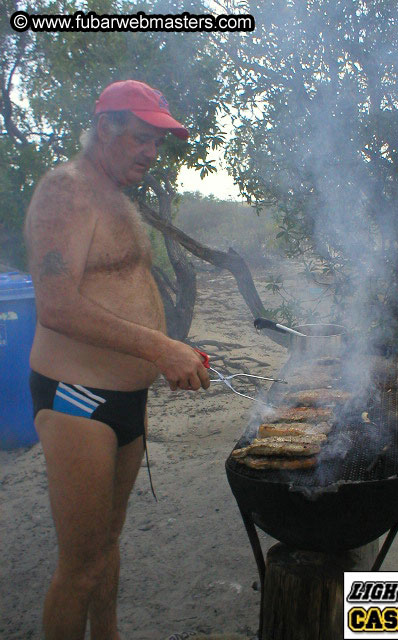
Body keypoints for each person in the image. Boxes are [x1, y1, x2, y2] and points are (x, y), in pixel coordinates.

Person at [24, 79, 210, 640]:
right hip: (78, 397)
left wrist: (171, 348)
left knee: (108, 543)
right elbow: (57, 307)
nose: (152, 154)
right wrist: (159, 347)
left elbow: (120, 286)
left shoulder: (116, 196)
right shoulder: (66, 191)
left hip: (129, 398)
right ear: (106, 127)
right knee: (78, 568)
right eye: (142, 139)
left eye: (159, 143)